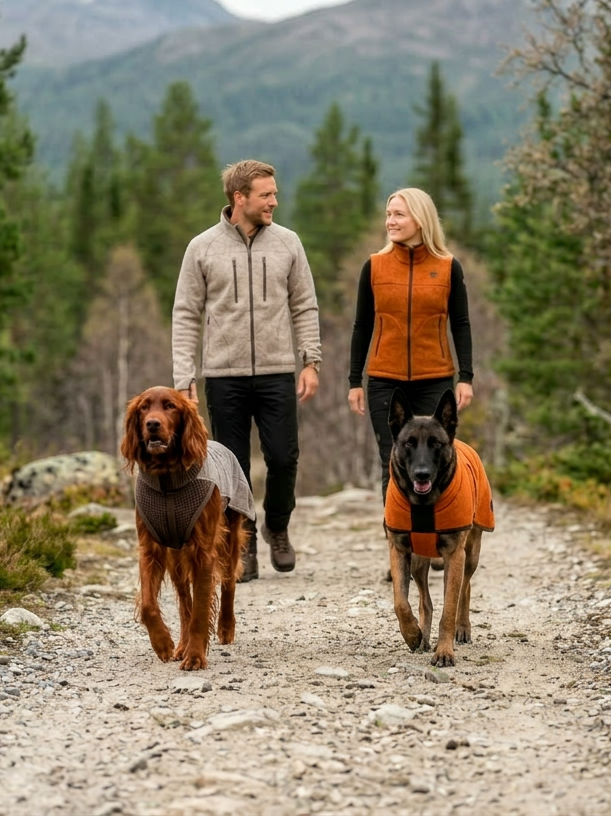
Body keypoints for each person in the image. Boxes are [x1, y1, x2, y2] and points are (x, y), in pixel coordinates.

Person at [172, 159, 322, 582]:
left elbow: (304, 304)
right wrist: (185, 380)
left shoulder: (289, 243)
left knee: (283, 456)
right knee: (231, 466)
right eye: (266, 194)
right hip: (223, 375)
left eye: (274, 193)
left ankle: (278, 524)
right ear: (240, 198)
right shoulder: (201, 248)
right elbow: (185, 314)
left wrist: (310, 361)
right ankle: (246, 541)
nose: (275, 200)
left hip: (277, 371)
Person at [347, 187, 474, 498]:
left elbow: (461, 324)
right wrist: (355, 381)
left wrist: (465, 377)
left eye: (398, 214)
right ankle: (398, 541)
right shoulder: (374, 266)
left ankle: (435, 537)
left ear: (420, 219)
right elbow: (362, 326)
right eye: (388, 214)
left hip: (435, 380)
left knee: (434, 460)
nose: (390, 221)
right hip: (384, 382)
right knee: (390, 459)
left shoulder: (447, 267)